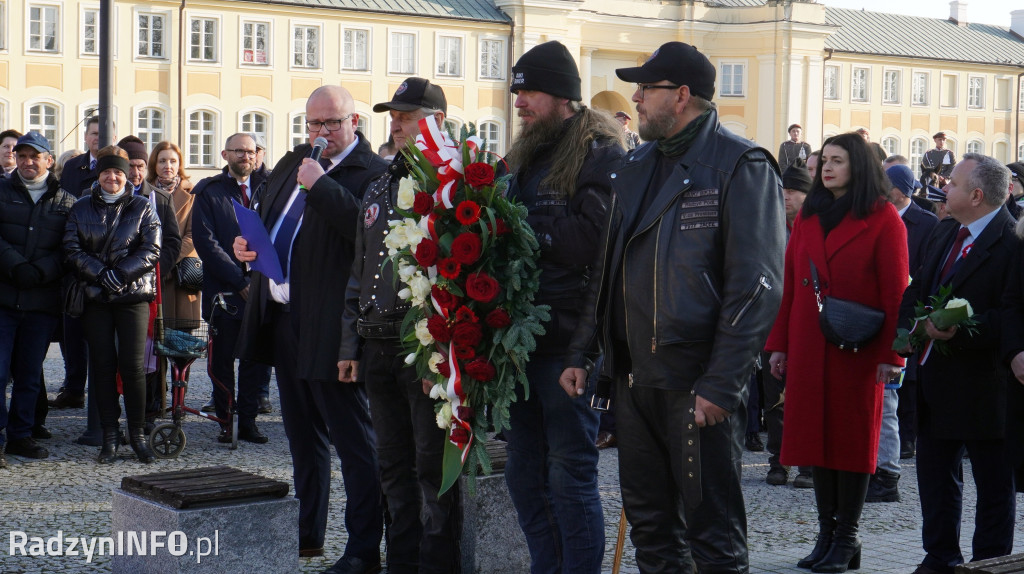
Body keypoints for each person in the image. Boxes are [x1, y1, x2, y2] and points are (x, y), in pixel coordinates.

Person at [561, 41, 786, 572]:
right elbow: (605, 269)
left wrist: (723, 384)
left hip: (695, 383)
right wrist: (582, 350)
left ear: (682, 95)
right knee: (651, 530)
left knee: (713, 538)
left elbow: (756, 286)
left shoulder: (740, 165)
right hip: (634, 379)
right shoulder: (635, 164)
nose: (635, 97)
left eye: (647, 88)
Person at [234, 85, 385, 574]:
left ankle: (363, 547)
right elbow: (269, 218)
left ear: (354, 122)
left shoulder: (374, 174)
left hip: (334, 328)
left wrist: (321, 185)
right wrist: (247, 244)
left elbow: (367, 236)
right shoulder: (292, 160)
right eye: (313, 124)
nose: (320, 134)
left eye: (331, 124)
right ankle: (308, 536)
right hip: (283, 318)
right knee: (302, 439)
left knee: (355, 443)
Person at [501, 41, 624, 573]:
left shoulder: (600, 152)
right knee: (523, 476)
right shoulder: (528, 151)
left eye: (528, 91)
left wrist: (517, 231)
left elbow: (592, 240)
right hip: (519, 342)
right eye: (517, 91)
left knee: (569, 477)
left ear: (561, 95)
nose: (519, 102)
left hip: (570, 340)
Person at [766, 132, 908, 572]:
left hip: (859, 349)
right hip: (810, 344)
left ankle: (846, 537)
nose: (826, 168)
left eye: (837, 161)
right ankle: (826, 534)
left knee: (850, 443)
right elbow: (790, 286)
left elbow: (895, 295)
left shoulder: (884, 219)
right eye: (823, 160)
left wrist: (893, 356)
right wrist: (780, 345)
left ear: (858, 166)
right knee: (815, 443)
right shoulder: (810, 213)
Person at [338, 77, 462, 574]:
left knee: (431, 467)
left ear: (435, 121)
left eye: (406, 116)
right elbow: (359, 270)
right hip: (377, 344)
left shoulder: (454, 180)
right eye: (394, 116)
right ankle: (402, 563)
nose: (396, 124)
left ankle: (436, 565)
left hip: (428, 348)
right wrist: (350, 344)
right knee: (391, 464)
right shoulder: (379, 182)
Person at [897, 154, 1018, 574]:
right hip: (936, 378)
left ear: (977, 195)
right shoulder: (946, 232)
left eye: (952, 183)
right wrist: (910, 327)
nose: (944, 187)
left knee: (993, 483)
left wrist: (962, 328)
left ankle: (989, 563)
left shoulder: (1012, 240)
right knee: (935, 475)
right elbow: (918, 288)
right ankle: (941, 556)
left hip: (988, 384)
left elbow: (1012, 314)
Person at [64, 145, 161, 464]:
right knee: (103, 368)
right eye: (107, 172)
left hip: (132, 297)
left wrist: (118, 274)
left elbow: (152, 249)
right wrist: (101, 274)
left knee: (133, 368)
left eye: (118, 172)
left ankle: (137, 435)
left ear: (126, 176)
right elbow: (72, 248)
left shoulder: (142, 207)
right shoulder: (80, 208)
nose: (113, 177)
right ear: (99, 175)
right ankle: (109, 435)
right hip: (96, 298)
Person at [0, 132, 77, 468]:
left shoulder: (67, 201)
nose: (28, 162)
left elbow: (70, 249)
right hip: (3, 296)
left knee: (30, 373)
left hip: (42, 301)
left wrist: (42, 270)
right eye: (23, 156)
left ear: (50, 160)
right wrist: (15, 264)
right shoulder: (1, 190)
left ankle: (20, 436)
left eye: (36, 156)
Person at [864, 164, 938, 504]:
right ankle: (873, 468)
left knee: (890, 403)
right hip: (874, 320)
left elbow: (922, 275)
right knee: (878, 401)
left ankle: (888, 474)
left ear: (898, 190)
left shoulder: (926, 223)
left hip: (903, 319)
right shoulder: (873, 215)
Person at [191, 133, 271, 444]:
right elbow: (206, 244)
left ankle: (248, 421)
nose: (245, 157)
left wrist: (259, 282)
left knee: (255, 359)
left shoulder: (269, 188)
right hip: (224, 293)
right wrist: (239, 283)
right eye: (238, 151)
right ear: (225, 154)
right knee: (223, 360)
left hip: (263, 287)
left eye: (250, 151)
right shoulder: (210, 192)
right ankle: (226, 421)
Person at [52, 116, 112, 411]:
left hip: (107, 262)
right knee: (71, 331)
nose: (97, 139)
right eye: (93, 134)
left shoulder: (115, 166)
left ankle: (103, 396)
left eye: (103, 134)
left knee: (103, 334)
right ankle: (74, 388)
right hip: (75, 260)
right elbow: (62, 206)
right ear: (86, 137)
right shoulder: (74, 168)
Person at [763, 159, 812, 487]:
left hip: (808, 322)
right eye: (783, 190)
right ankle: (778, 460)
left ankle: (808, 463)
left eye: (793, 191)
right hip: (772, 320)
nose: (786, 196)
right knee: (774, 395)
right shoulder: (767, 225)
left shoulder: (818, 226)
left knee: (806, 394)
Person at [146, 142, 201, 417]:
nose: (168, 166)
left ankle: (177, 405)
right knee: (153, 350)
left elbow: (193, 238)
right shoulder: (144, 195)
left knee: (180, 348)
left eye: (172, 161)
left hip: (178, 283)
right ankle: (156, 403)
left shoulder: (192, 197)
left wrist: (162, 264)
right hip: (149, 281)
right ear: (154, 165)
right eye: (162, 161)